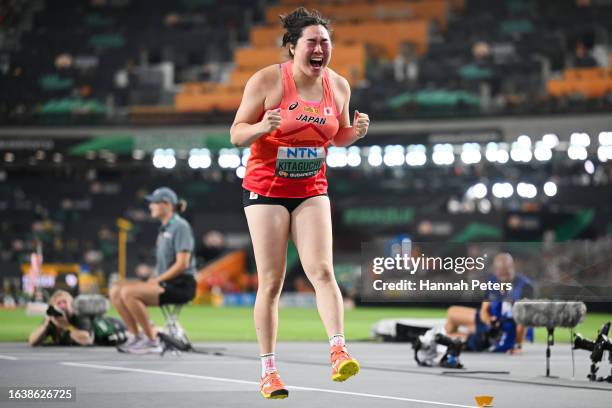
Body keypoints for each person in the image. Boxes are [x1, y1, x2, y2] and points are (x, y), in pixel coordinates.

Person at [230, 7, 370, 399]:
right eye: (312, 41)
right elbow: (236, 133)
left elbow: (336, 134)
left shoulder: (337, 86)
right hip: (266, 191)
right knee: (271, 282)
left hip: (311, 189)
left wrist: (353, 134)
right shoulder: (267, 82)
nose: (320, 48)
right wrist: (261, 127)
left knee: (322, 271)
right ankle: (268, 371)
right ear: (293, 47)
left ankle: (339, 350)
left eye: (325, 42)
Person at [109, 187, 197, 354]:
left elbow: (182, 264)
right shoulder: (164, 229)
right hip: (165, 282)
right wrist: (152, 276)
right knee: (115, 290)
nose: (151, 206)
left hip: (181, 284)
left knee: (128, 293)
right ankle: (136, 337)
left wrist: (156, 280)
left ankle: (152, 340)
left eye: (154, 203)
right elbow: (164, 265)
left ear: (167, 204)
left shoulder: (180, 226)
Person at [444, 252, 534, 353]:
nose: (504, 278)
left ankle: (468, 339)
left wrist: (518, 345)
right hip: (492, 323)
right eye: (501, 274)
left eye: (506, 273)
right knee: (452, 314)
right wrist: (489, 321)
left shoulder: (524, 287)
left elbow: (524, 320)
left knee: (468, 333)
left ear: (512, 267)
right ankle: (463, 339)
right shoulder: (492, 282)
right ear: (496, 270)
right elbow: (484, 310)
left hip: (510, 327)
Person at [29, 290, 93, 346]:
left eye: (65, 302)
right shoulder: (54, 319)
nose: (62, 306)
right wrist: (46, 324)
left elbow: (86, 339)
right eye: (59, 303)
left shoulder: (79, 316)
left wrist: (67, 326)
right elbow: (32, 341)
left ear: (71, 304)